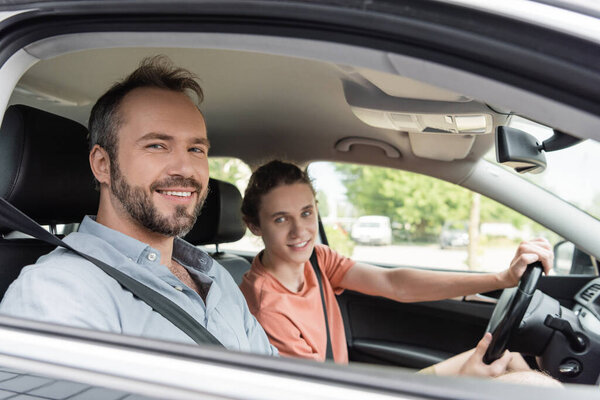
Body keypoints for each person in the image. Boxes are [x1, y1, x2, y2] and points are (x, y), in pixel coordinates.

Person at [0, 56, 276, 355]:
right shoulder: (60, 292)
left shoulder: (214, 276)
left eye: (196, 149)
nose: (185, 168)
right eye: (157, 145)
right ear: (103, 164)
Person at [239, 160, 553, 367]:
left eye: (307, 213)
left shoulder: (319, 260)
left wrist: (501, 278)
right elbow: (315, 389)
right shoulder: (266, 307)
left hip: (343, 384)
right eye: (281, 219)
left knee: (511, 363)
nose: (300, 231)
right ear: (255, 226)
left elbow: (395, 284)